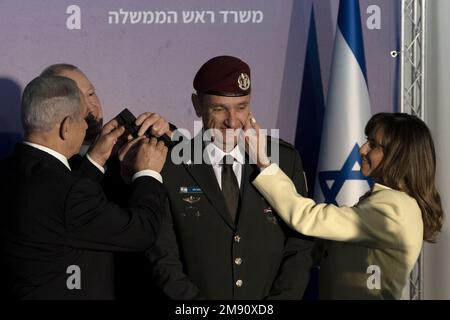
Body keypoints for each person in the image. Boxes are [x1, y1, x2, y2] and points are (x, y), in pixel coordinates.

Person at [146, 55, 313, 299]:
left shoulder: (283, 160)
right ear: (197, 105)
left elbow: (299, 247)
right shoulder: (169, 164)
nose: (232, 121)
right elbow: (163, 257)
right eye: (219, 108)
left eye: (241, 107)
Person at [0, 75, 168, 299]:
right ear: (66, 126)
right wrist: (148, 172)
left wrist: (95, 159)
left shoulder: (10, 169)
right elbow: (141, 231)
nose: (87, 125)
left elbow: (61, 209)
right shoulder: (66, 192)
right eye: (83, 119)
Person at [246, 112, 444, 299]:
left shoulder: (395, 209)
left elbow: (307, 218)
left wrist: (263, 162)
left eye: (373, 145)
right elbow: (323, 250)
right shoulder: (388, 203)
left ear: (398, 157)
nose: (362, 149)